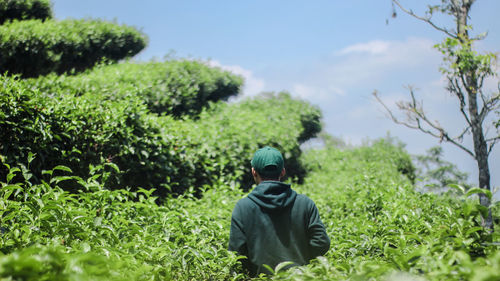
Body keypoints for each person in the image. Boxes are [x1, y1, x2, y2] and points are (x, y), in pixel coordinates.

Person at [228, 146, 330, 276]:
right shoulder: (305, 204)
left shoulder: (243, 207)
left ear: (254, 172)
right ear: (282, 172)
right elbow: (321, 242)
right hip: (300, 278)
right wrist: (302, 263)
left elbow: (236, 253)